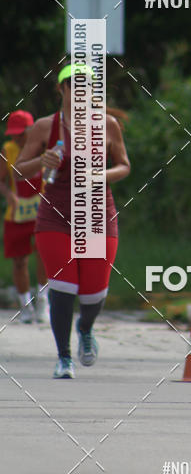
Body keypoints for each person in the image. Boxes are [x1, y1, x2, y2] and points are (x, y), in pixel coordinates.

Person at [16, 64, 130, 378]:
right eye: (73, 85)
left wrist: (101, 175)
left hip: (97, 216)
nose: (80, 91)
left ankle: (86, 327)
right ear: (61, 89)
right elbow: (18, 171)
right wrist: (41, 160)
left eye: (86, 85)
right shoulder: (45, 127)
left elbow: (124, 165)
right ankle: (64, 357)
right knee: (63, 286)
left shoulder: (108, 125)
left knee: (94, 293)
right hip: (55, 216)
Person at [0, 110, 48, 323]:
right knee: (19, 260)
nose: (17, 138)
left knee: (44, 255)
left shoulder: (44, 148)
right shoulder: (8, 150)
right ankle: (25, 306)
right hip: (17, 214)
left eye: (21, 134)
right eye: (14, 135)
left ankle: (43, 302)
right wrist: (8, 194)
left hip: (43, 211)